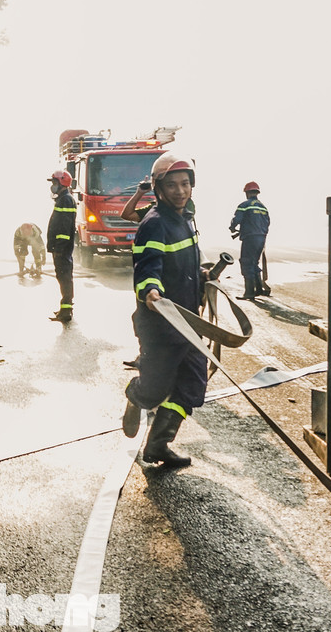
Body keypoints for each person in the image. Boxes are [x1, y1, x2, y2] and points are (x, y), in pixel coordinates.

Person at [121, 152, 203, 468]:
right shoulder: (154, 223)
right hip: (161, 326)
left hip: (187, 322)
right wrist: (150, 292)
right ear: (158, 188)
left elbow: (181, 264)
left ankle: (158, 445)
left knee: (192, 384)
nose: (180, 191)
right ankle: (136, 396)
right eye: (172, 185)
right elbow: (148, 265)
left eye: (185, 184)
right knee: (154, 390)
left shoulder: (185, 219)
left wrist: (203, 274)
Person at [229, 181, 271, 300]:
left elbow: (237, 219)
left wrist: (232, 227)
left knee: (246, 263)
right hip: (261, 239)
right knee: (254, 262)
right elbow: (267, 223)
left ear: (247, 193)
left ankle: (249, 293)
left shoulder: (245, 205)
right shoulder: (263, 207)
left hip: (250, 238)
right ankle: (258, 289)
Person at [46, 169, 77, 323]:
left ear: (62, 183)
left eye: (54, 182)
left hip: (62, 249)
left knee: (64, 278)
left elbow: (64, 227)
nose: (52, 186)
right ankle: (65, 308)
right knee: (63, 277)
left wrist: (59, 247)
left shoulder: (66, 200)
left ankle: (66, 311)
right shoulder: (63, 199)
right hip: (61, 248)